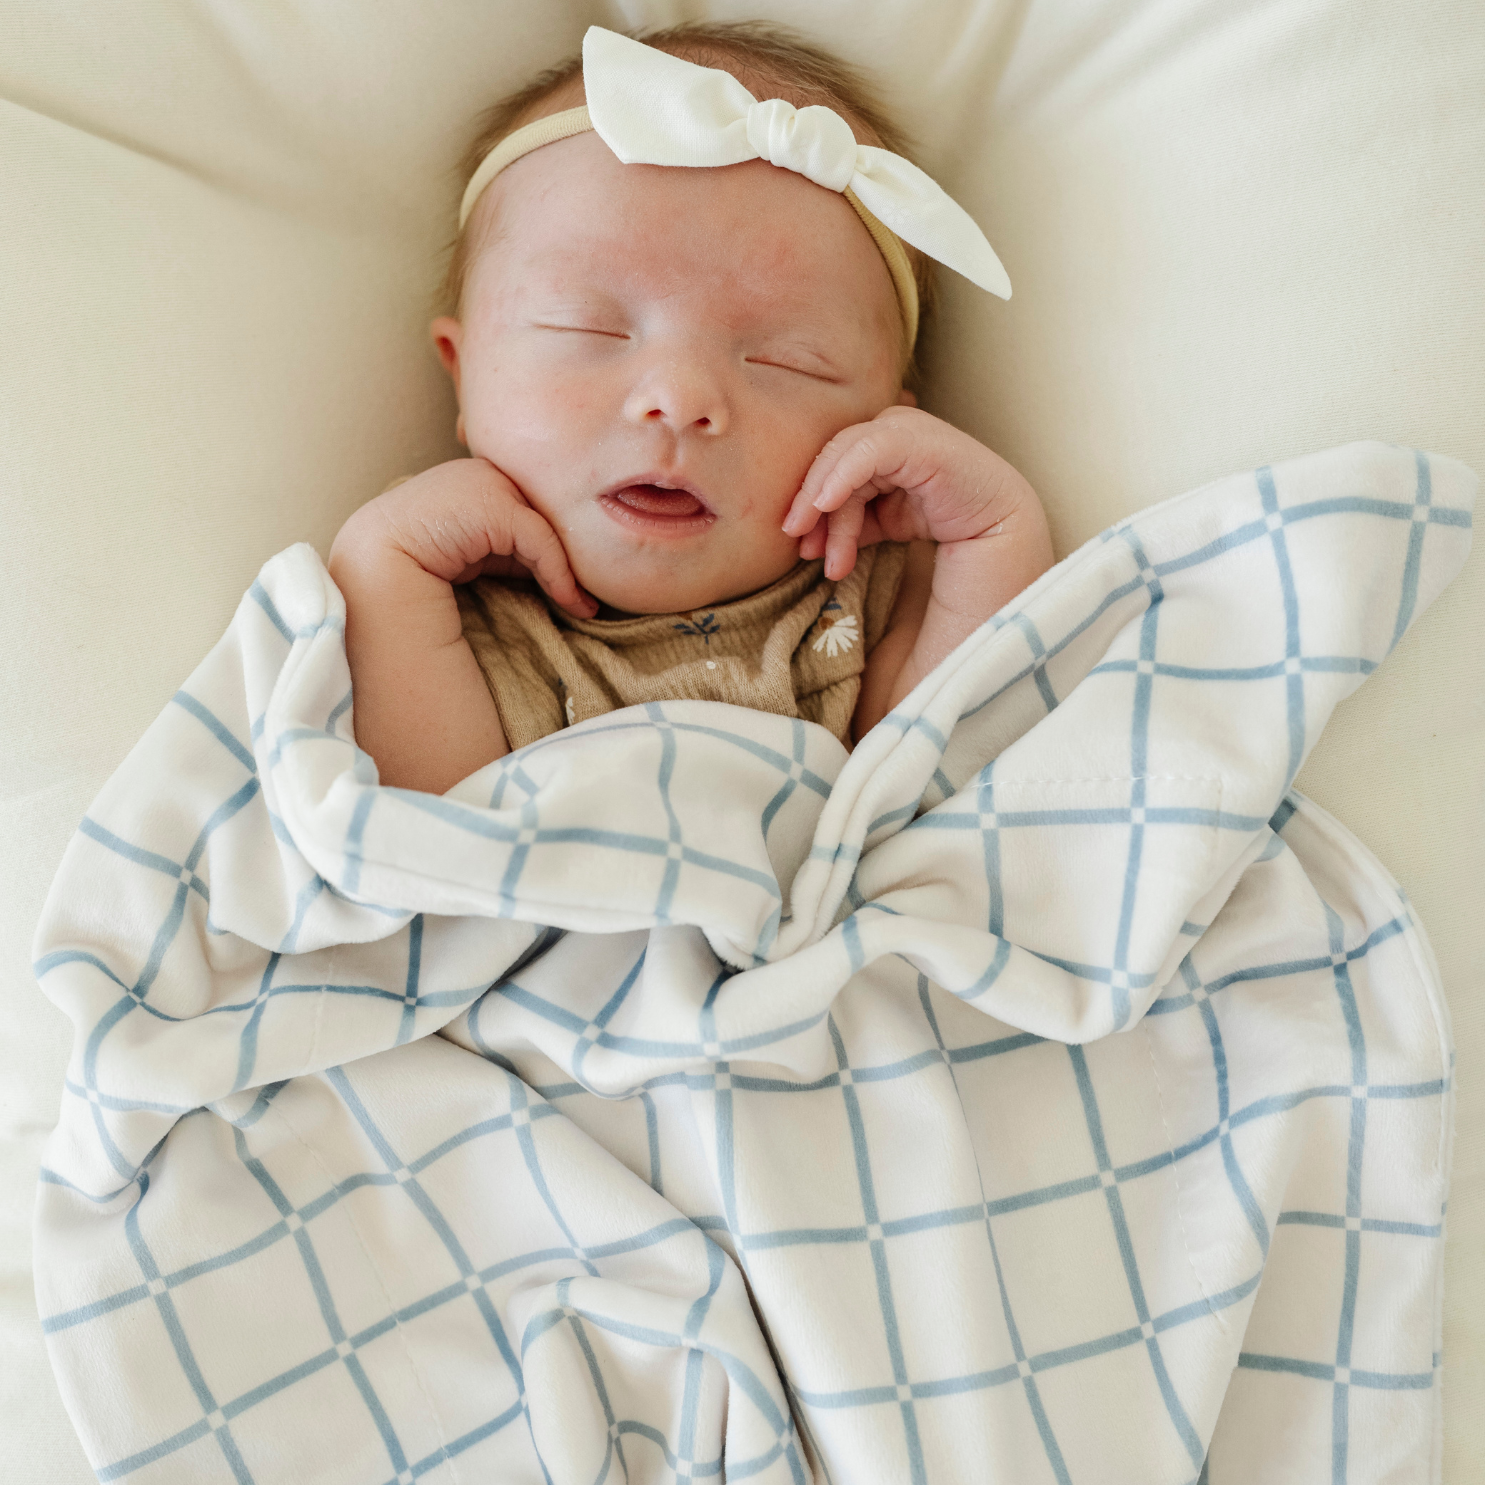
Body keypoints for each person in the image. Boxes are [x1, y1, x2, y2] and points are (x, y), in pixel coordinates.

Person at [327, 22, 1053, 794]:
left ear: (880, 437)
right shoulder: (445, 604)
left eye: (787, 361)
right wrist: (383, 565)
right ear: (461, 372)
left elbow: (949, 781)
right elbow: (427, 835)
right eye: (589, 327)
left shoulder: (856, 600)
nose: (679, 400)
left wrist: (993, 533)